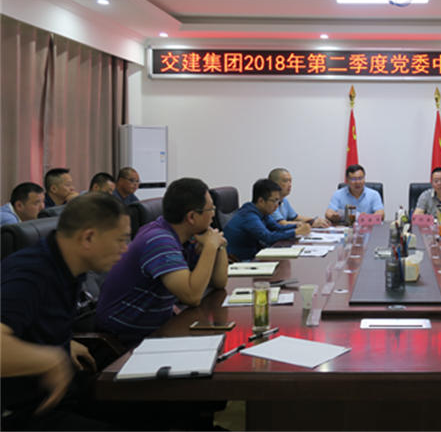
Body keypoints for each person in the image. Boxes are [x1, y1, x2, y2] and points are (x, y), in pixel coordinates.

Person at [0, 192, 140, 431]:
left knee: (158, 399)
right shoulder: (30, 274)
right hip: (25, 409)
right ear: (88, 238)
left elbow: (36, 322)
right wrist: (49, 358)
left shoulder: (69, 265)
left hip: (62, 389)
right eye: (120, 240)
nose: (125, 249)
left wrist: (66, 341)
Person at [95, 178, 228, 347]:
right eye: (211, 209)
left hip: (160, 327)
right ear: (192, 217)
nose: (214, 214)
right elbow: (191, 296)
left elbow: (219, 282)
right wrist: (210, 246)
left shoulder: (186, 236)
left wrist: (218, 245)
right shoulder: (159, 239)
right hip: (125, 338)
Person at [225, 179, 312, 261]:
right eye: (274, 201)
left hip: (253, 254)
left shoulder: (263, 212)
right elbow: (268, 237)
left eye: (278, 201)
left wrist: (297, 226)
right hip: (240, 260)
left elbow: (277, 227)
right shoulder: (248, 216)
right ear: (261, 201)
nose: (277, 205)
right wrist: (296, 232)